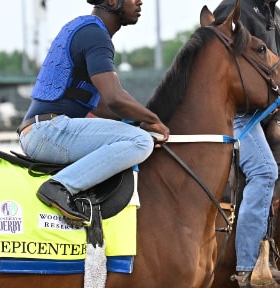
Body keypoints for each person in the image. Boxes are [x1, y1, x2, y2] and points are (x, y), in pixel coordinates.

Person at [18, 0, 169, 224]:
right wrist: (154, 120)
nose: (140, 1)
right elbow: (115, 98)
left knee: (134, 133)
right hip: (48, 132)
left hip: (41, 130)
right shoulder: (95, 35)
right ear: (111, 1)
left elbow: (101, 105)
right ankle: (60, 186)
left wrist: (136, 121)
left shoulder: (85, 29)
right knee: (140, 142)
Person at [213, 0, 280, 285]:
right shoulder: (232, 9)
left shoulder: (277, 14)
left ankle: (269, 253)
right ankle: (248, 268)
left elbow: (278, 67)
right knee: (264, 172)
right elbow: (219, 66)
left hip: (265, 112)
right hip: (237, 114)